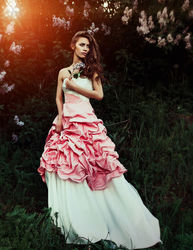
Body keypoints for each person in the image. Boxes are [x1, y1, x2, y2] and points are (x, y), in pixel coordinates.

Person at [38, 30, 162, 249]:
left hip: (86, 119)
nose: (85, 49)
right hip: (68, 119)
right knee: (67, 166)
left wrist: (74, 86)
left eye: (88, 46)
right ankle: (74, 217)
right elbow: (58, 96)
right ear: (73, 45)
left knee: (96, 165)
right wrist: (59, 119)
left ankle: (116, 218)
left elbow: (99, 95)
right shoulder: (63, 72)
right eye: (82, 45)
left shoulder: (91, 71)